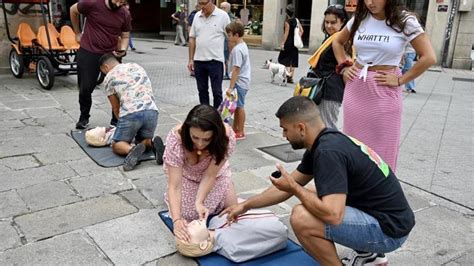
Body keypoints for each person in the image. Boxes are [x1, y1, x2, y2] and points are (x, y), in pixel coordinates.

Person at [221, 96, 416, 265]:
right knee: (314, 193)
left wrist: (297, 190)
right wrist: (245, 205)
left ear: (301, 128)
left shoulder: (327, 153)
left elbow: (333, 216)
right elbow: (286, 188)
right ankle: (369, 255)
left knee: (301, 217)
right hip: (389, 217)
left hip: (390, 232)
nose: (283, 135)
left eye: (285, 130)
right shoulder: (325, 141)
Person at [332, 0, 436, 171]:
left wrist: (400, 80)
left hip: (384, 88)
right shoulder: (360, 18)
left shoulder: (405, 20)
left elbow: (429, 57)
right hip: (356, 86)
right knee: (353, 143)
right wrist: (343, 66)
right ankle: (354, 190)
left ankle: (381, 193)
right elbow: (337, 42)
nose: (370, 3)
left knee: (384, 147)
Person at [163, 104, 237, 242]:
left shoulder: (225, 137)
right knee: (187, 214)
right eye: (195, 137)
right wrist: (177, 220)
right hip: (187, 176)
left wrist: (199, 201)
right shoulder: (177, 138)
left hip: (215, 175)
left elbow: (210, 174)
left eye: (206, 139)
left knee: (231, 210)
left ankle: (226, 183)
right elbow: (175, 186)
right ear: (188, 131)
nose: (200, 144)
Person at [70, 0, 132, 130]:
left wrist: (123, 50)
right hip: (89, 51)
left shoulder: (124, 13)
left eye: (123, 1)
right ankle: (84, 116)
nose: (120, 3)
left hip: (111, 54)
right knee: (85, 87)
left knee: (118, 87)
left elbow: (125, 35)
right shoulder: (92, 3)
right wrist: (77, 32)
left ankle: (116, 119)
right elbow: (73, 10)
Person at [99, 54, 164, 171]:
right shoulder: (136, 66)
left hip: (131, 113)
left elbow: (115, 108)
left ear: (105, 67)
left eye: (103, 71)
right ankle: (152, 143)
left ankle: (131, 150)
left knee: (117, 144)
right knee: (142, 140)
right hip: (152, 110)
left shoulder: (109, 77)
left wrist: (122, 126)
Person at [307, 5, 349, 129]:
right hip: (321, 89)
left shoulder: (343, 41)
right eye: (327, 22)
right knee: (320, 126)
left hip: (331, 90)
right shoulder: (331, 38)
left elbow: (348, 65)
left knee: (327, 127)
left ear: (343, 22)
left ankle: (328, 148)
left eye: (333, 22)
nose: (329, 26)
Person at [188, 0, 230, 108]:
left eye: (204, 3)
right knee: (202, 91)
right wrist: (191, 59)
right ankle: (206, 116)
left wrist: (230, 59)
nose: (201, 7)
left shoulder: (223, 16)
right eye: (199, 4)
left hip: (215, 60)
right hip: (199, 61)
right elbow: (192, 38)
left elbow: (230, 37)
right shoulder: (197, 16)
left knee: (217, 92)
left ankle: (217, 117)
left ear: (211, 2)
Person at [225, 22, 251, 141]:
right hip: (243, 81)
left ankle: (240, 131)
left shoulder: (238, 50)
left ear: (236, 35)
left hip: (240, 82)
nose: (228, 37)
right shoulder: (242, 46)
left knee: (239, 106)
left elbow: (236, 68)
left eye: (229, 35)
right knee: (237, 106)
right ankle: (236, 129)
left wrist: (231, 87)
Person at [277, 4, 303, 84]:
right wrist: (297, 37)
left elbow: (286, 33)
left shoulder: (287, 22)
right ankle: (291, 77)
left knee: (286, 59)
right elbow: (302, 31)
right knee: (293, 60)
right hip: (294, 43)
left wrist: (282, 43)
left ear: (286, 12)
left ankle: (287, 75)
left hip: (288, 42)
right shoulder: (296, 20)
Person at [219, 1, 236, 80]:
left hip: (227, 41)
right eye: (221, 7)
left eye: (224, 8)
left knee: (227, 57)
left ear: (228, 8)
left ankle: (227, 73)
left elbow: (231, 31)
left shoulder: (230, 18)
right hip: (221, 41)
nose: (222, 9)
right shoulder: (220, 16)